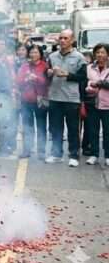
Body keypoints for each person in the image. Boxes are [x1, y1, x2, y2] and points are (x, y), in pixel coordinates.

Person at [46, 29, 87, 166]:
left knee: (73, 129)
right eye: (61, 38)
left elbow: (83, 78)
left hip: (71, 99)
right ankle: (56, 154)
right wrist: (49, 72)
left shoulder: (79, 57)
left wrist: (67, 75)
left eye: (65, 38)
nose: (62, 41)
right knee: (55, 128)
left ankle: (74, 155)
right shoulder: (52, 56)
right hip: (55, 97)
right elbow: (46, 74)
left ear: (72, 40)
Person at [16, 46, 49, 159]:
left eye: (36, 52)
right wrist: (26, 79)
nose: (33, 54)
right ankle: (27, 150)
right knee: (27, 127)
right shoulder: (24, 66)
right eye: (31, 52)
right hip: (26, 100)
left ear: (40, 54)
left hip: (40, 100)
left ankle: (41, 151)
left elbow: (48, 82)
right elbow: (18, 81)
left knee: (41, 126)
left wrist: (36, 79)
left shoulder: (45, 66)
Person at [85, 43, 109, 166]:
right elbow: (87, 83)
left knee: (107, 132)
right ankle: (94, 154)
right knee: (93, 131)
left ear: (108, 54)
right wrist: (89, 87)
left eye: (103, 52)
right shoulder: (89, 67)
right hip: (93, 103)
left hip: (107, 105)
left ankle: (107, 156)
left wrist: (98, 84)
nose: (99, 54)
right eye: (97, 52)